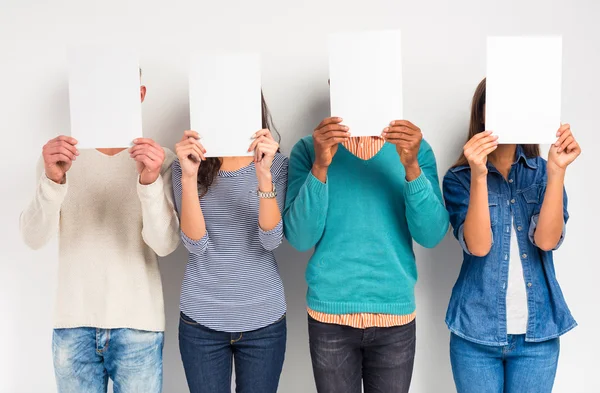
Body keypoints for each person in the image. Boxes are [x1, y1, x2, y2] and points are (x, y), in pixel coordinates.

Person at [19, 73, 180, 393]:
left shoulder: (159, 160)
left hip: (139, 327)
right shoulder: (59, 158)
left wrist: (148, 182)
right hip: (72, 325)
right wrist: (53, 181)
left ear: (141, 93)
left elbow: (165, 244)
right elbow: (33, 237)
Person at [283, 87, 450, 392]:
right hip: (329, 316)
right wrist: (320, 165)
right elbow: (299, 237)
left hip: (394, 315)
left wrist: (411, 166)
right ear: (337, 87)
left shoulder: (415, 149)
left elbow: (432, 234)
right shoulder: (308, 150)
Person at [442, 78, 580, 393]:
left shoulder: (545, 173)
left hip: (537, 336)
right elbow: (478, 246)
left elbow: (547, 241)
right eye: (500, 104)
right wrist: (479, 174)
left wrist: (557, 171)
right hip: (475, 335)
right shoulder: (458, 179)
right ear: (482, 113)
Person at [173, 95, 288, 393]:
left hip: (264, 320)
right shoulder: (185, 167)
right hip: (201, 321)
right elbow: (195, 244)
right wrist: (188, 176)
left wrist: (263, 175)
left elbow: (271, 239)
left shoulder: (276, 164)